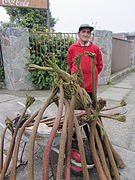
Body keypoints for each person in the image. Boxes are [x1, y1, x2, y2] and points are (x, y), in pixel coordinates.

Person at [67, 24, 103, 108]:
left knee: (91, 108)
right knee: (78, 108)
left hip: (91, 85)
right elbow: (70, 64)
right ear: (79, 34)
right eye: (83, 32)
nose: (86, 34)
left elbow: (100, 65)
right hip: (77, 85)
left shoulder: (95, 49)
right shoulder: (72, 48)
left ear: (90, 35)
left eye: (88, 32)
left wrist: (92, 74)